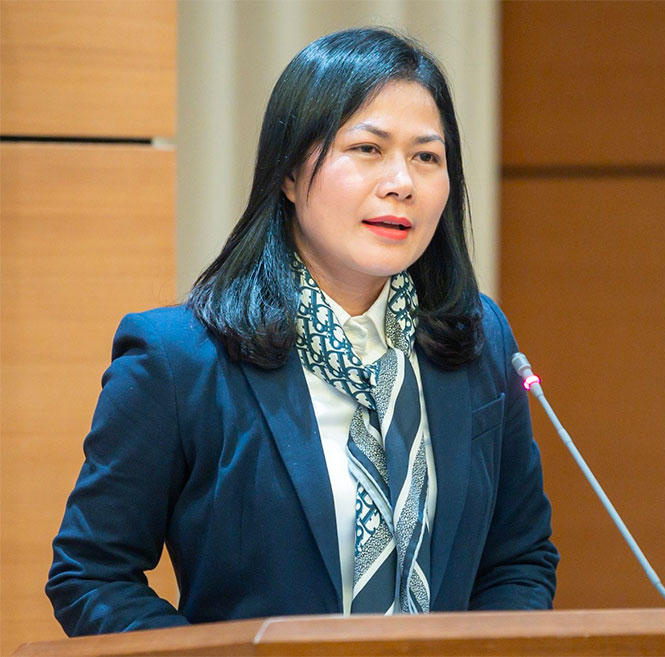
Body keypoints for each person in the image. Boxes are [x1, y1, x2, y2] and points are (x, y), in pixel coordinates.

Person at [46, 28, 558, 636]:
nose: (402, 182)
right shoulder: (179, 360)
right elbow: (91, 574)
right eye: (368, 148)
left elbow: (519, 559)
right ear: (289, 173)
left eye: (427, 157)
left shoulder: (478, 340)